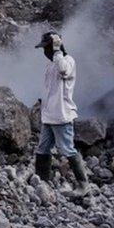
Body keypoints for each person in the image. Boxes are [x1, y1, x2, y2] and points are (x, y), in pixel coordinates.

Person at [33, 31, 88, 195]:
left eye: (46, 48)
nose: (45, 52)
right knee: (42, 148)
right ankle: (42, 181)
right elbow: (49, 90)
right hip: (49, 116)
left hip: (62, 115)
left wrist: (57, 51)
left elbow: (63, 70)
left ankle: (83, 184)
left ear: (54, 47)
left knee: (67, 149)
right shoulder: (51, 65)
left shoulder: (67, 61)